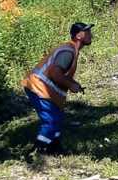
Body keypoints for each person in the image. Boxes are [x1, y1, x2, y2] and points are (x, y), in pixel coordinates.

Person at [23, 22, 93, 155]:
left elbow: (62, 75)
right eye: (87, 32)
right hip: (39, 87)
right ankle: (37, 152)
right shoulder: (68, 51)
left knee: (57, 119)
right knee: (50, 121)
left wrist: (73, 83)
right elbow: (55, 73)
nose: (90, 35)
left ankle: (54, 149)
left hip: (45, 89)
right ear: (78, 36)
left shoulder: (72, 50)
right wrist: (71, 85)